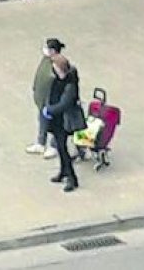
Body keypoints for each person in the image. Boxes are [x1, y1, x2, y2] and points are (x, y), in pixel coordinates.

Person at [43, 53, 84, 193]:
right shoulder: (57, 79)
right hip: (56, 119)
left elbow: (64, 104)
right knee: (61, 148)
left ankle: (72, 178)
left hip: (64, 121)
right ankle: (63, 172)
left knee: (62, 148)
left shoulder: (70, 85)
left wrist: (49, 109)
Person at [27, 38, 62, 159]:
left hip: (53, 101)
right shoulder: (46, 60)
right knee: (42, 121)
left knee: (56, 124)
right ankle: (41, 143)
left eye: (47, 48)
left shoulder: (59, 63)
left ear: (53, 50)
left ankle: (54, 146)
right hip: (43, 100)